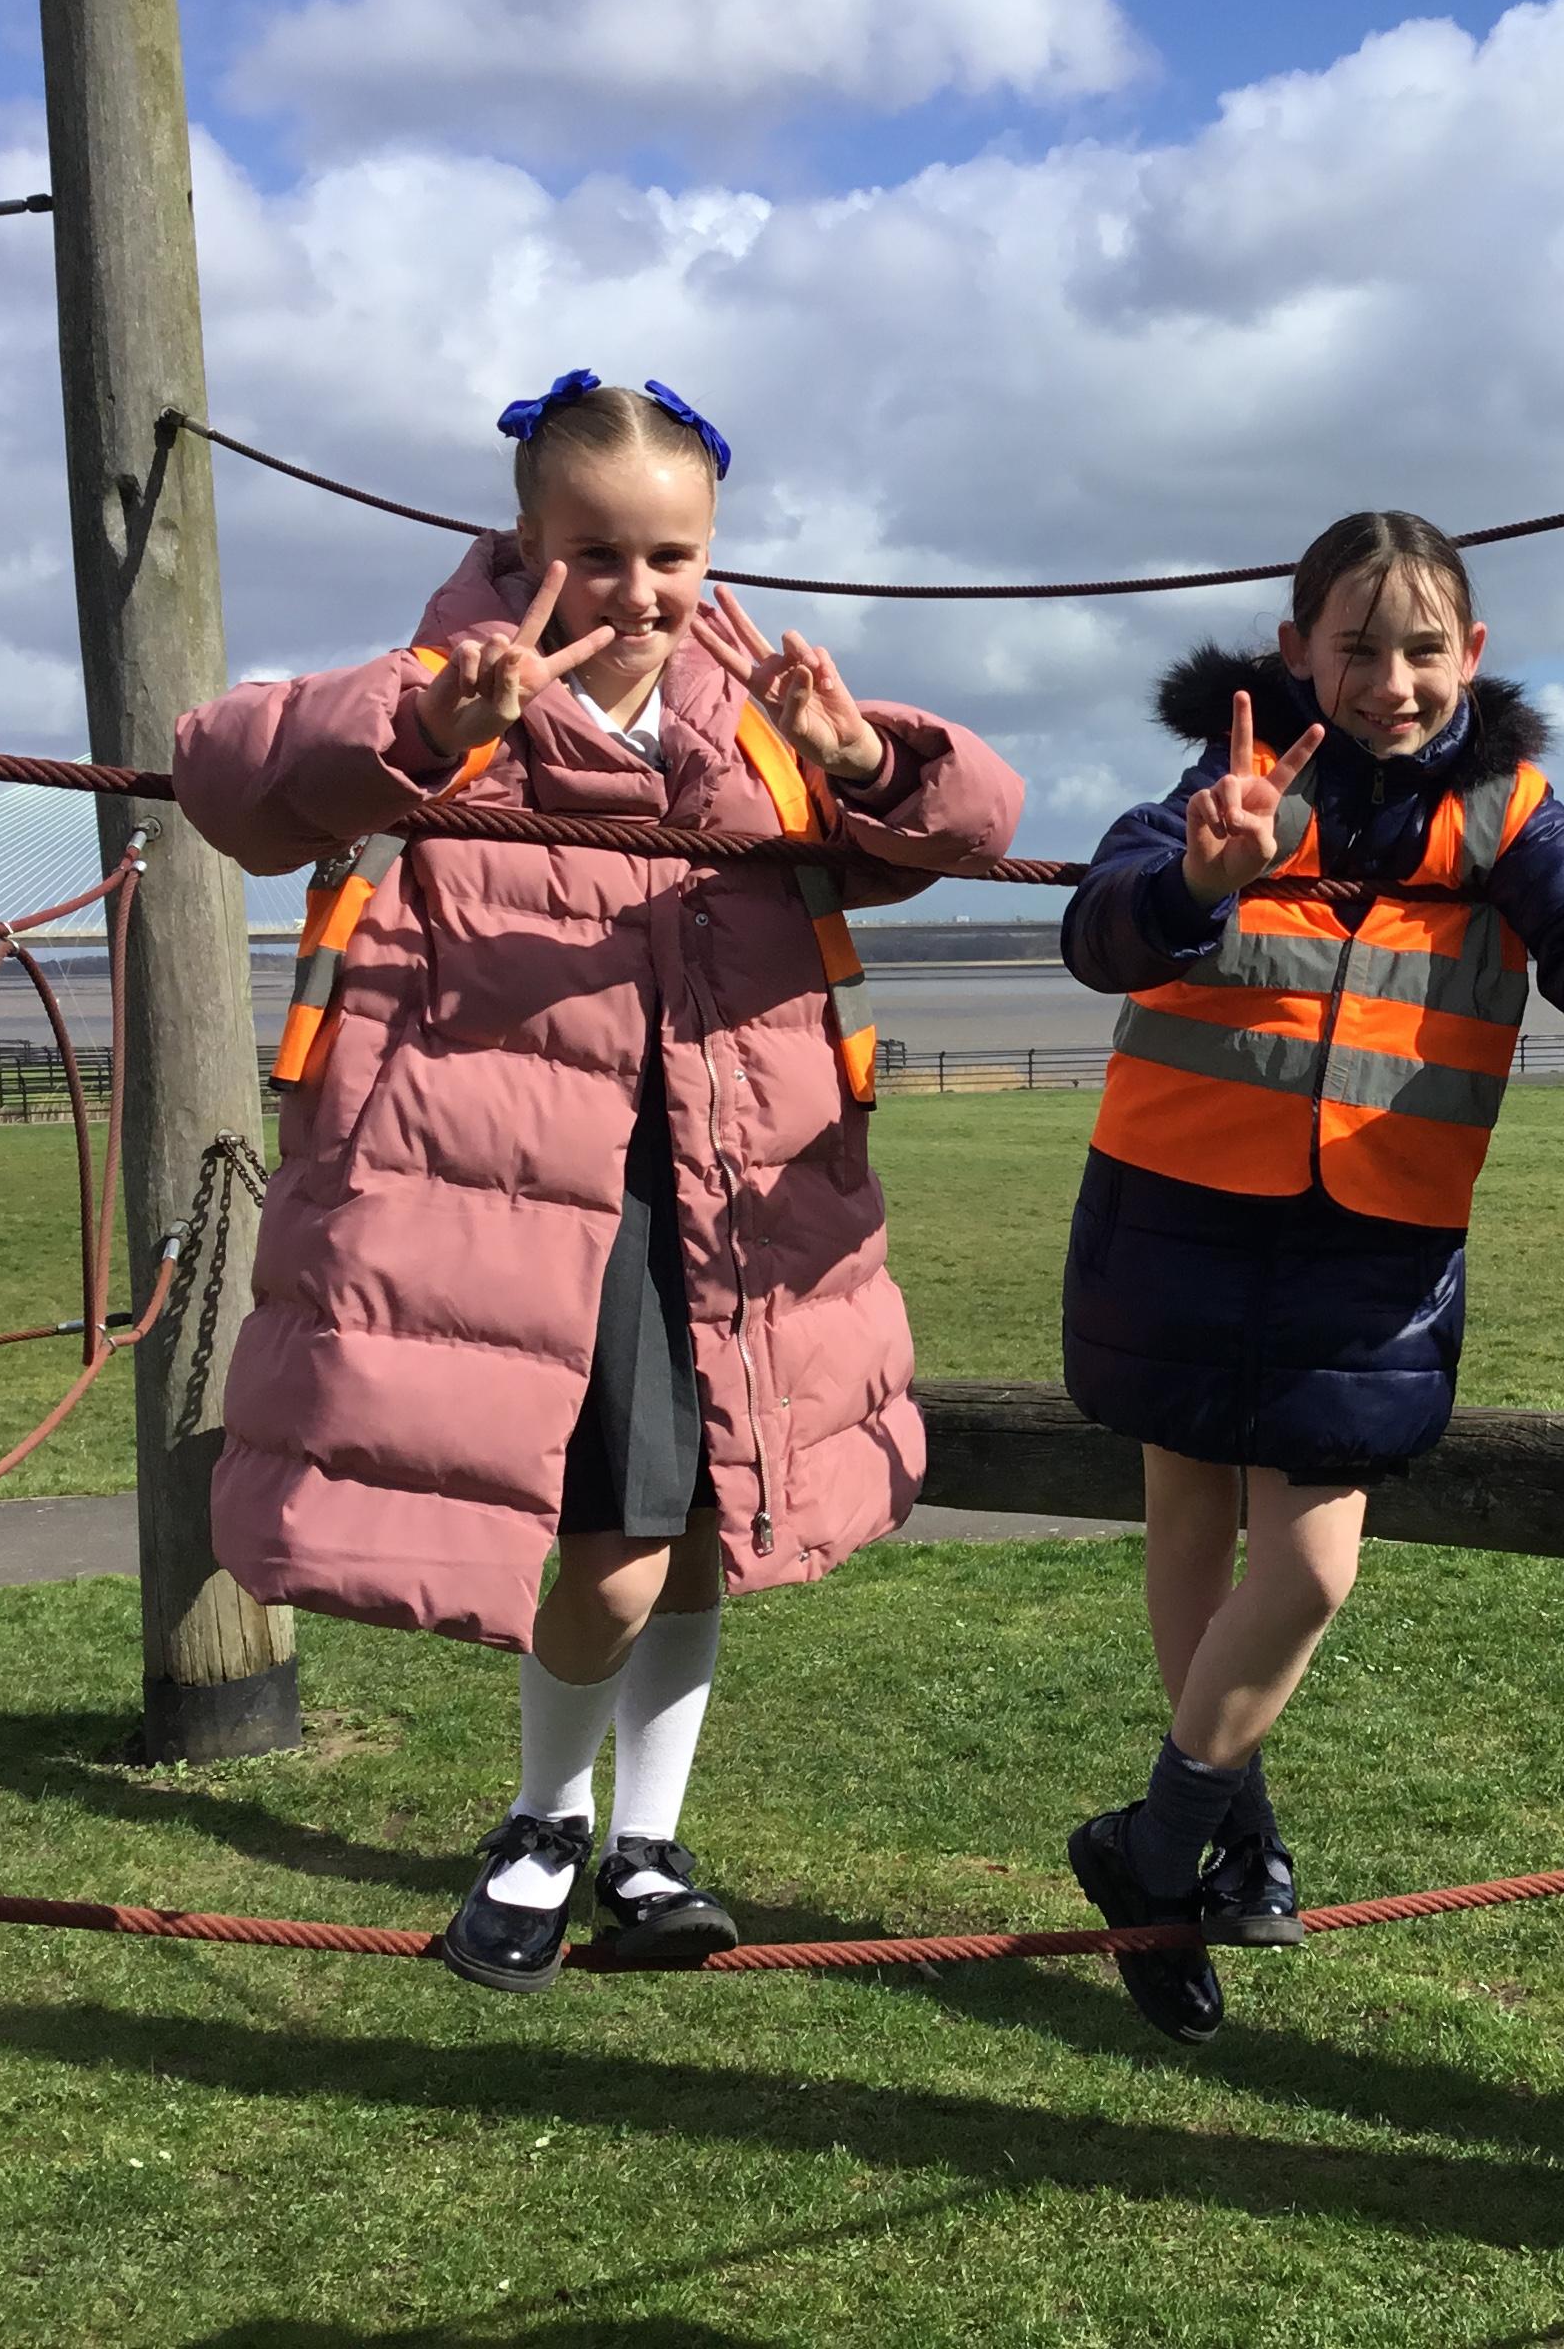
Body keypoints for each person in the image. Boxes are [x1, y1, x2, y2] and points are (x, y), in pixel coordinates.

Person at [172, 371, 1022, 1990]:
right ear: (523, 538)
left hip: (734, 1190)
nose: (639, 592)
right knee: (619, 1550)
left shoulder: (761, 715)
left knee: (696, 1532)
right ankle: (542, 1823)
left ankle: (646, 1844)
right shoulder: (443, 691)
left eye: (672, 556)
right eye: (599, 552)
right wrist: (434, 729)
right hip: (525, 1208)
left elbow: (974, 822)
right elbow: (223, 776)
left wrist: (858, 751)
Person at [1056, 509, 1564, 2042]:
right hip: (1172, 1211)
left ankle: (1153, 1848)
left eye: (1424, 650)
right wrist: (1194, 881)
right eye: (1357, 648)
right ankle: (1233, 1843)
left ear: (1470, 655)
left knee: (1310, 1567)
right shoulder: (1230, 785)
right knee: (1187, 1525)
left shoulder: (1518, 818)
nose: (1393, 681)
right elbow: (1103, 934)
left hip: (1373, 1238)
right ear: (1298, 651)